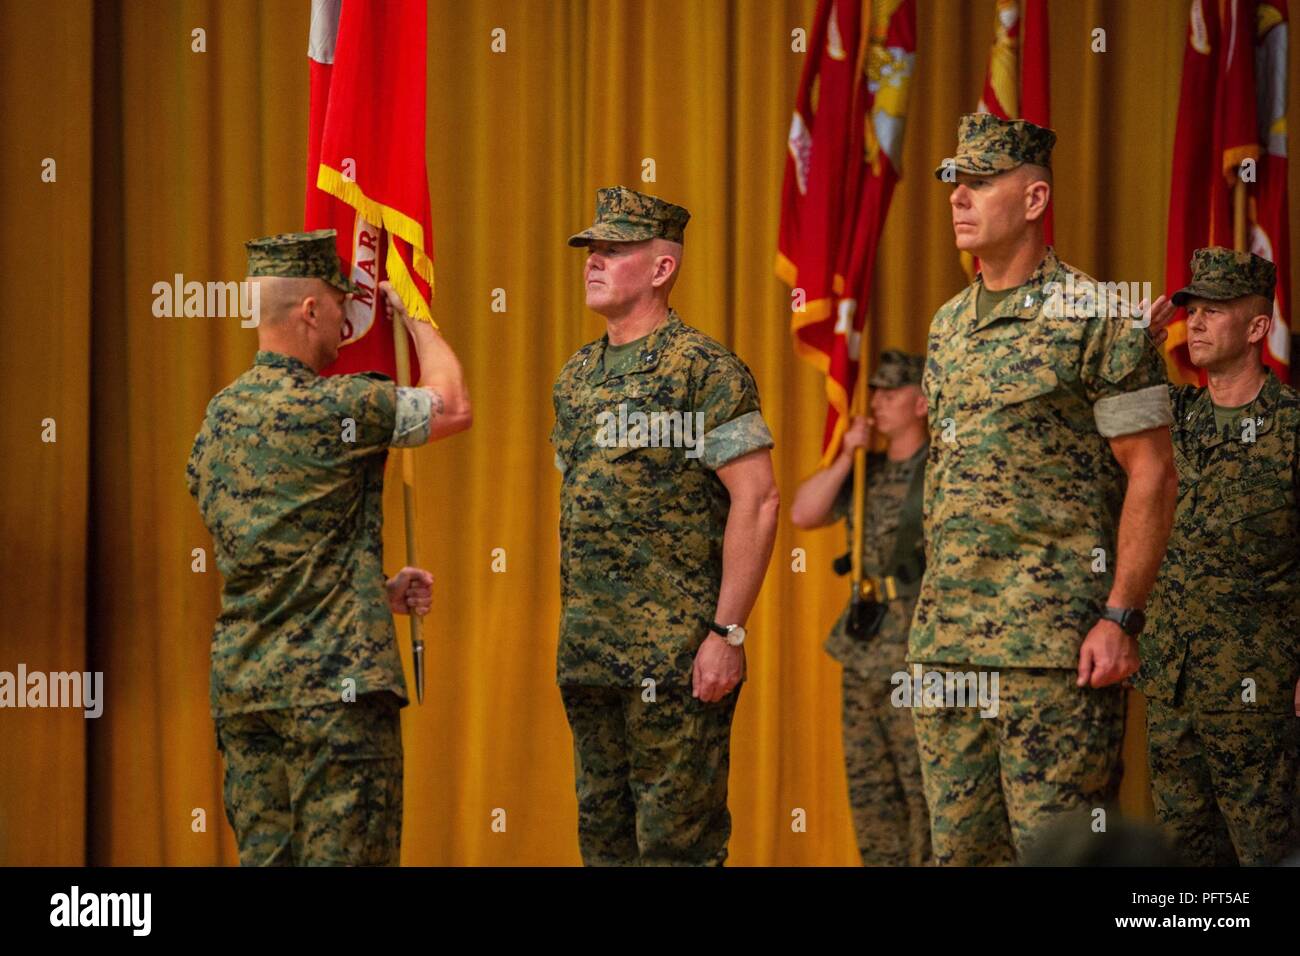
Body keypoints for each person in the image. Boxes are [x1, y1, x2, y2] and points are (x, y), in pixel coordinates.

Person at [911, 114, 1178, 865]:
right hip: (949, 644)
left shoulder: (1098, 316)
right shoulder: (947, 325)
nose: (959, 199)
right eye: (954, 184)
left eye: (981, 183)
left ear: (1033, 200)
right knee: (960, 856)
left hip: (1054, 648)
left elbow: (1152, 471)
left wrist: (1121, 614)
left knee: (1057, 856)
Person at [186, 229, 471, 865]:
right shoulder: (339, 405)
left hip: (247, 691)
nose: (349, 321)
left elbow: (267, 547)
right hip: (334, 697)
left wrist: (371, 591)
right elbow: (452, 405)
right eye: (341, 303)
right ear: (310, 308)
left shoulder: (218, 419)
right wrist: (417, 319)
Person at [551, 187, 780, 865]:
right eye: (591, 250)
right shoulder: (575, 378)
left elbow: (759, 500)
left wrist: (725, 633)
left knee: (678, 850)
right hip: (591, 654)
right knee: (604, 847)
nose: (594, 262)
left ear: (661, 268)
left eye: (614, 250)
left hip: (678, 657)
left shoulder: (704, 371)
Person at [1141, 247, 1300, 865]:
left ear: (1258, 327)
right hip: (1172, 682)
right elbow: (1098, 413)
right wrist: (1138, 349)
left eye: (1214, 311)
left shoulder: (1290, 426)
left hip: (1257, 690)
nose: (1197, 323)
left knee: (1266, 854)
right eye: (1192, 310)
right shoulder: (1174, 415)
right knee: (1184, 859)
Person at [790, 350, 931, 866]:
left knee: (922, 787)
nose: (877, 402)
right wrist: (846, 456)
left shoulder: (938, 468)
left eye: (891, 392)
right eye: (874, 391)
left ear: (921, 402)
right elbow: (804, 512)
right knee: (871, 789)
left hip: (917, 649)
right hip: (864, 644)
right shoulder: (866, 473)